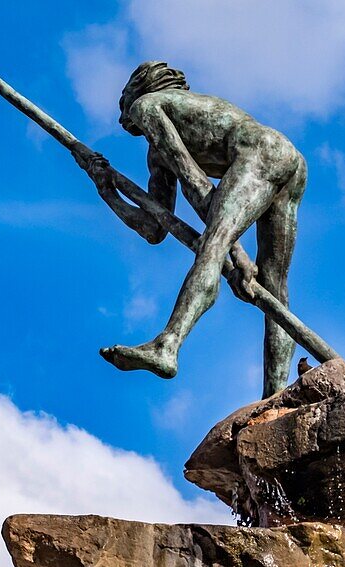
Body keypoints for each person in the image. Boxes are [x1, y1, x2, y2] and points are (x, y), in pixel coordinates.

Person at [79, 61, 307, 398]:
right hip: (290, 161)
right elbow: (155, 229)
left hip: (261, 152)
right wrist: (106, 188)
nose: (121, 117)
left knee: (212, 249)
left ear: (139, 87)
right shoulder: (159, 153)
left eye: (122, 100)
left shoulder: (149, 105)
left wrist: (234, 250)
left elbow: (194, 181)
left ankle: (167, 345)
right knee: (274, 289)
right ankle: (277, 397)